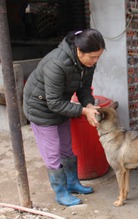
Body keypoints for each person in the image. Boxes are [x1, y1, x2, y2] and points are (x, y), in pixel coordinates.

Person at [23, 28, 105, 206]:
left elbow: (83, 89)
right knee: (52, 152)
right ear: (79, 50)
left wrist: (89, 105)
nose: (95, 61)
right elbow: (52, 102)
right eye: (92, 57)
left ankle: (73, 183)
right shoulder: (56, 63)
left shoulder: (87, 63)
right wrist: (83, 111)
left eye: (98, 56)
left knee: (67, 148)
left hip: (61, 105)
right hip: (40, 107)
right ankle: (61, 192)